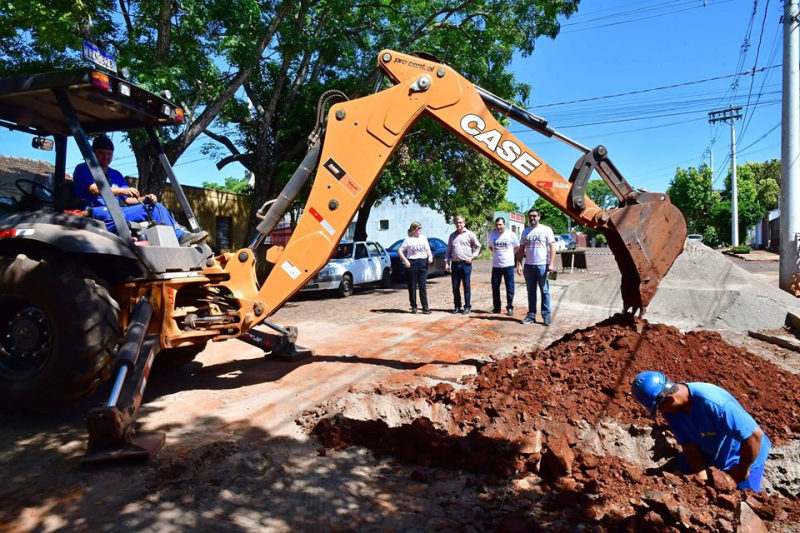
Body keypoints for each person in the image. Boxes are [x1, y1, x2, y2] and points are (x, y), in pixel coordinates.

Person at [631, 371, 771, 493]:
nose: (661, 413)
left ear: (669, 399)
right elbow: (688, 445)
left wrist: (742, 470)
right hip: (710, 451)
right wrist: (701, 478)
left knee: (744, 501)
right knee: (679, 485)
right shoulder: (672, 410)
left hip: (742, 456)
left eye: (659, 408)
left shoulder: (715, 404)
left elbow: (754, 436)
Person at [72, 136, 207, 247]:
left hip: (117, 212)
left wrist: (145, 199)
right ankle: (178, 238)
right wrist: (121, 191)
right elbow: (94, 189)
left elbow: (128, 200)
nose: (106, 157)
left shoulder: (116, 174)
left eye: (109, 154)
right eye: (101, 153)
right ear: (93, 153)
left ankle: (181, 236)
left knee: (155, 207)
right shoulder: (83, 169)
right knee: (118, 213)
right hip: (95, 212)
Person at [516, 209, 555, 326]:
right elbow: (521, 249)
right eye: (530, 216)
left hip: (542, 265)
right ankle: (531, 315)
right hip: (529, 266)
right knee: (531, 292)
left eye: (534, 216)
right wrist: (519, 264)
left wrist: (551, 263)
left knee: (545, 291)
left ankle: (546, 315)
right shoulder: (525, 232)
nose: (532, 218)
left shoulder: (546, 230)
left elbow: (552, 248)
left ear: (539, 217)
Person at [445, 215, 481, 315]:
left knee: (466, 286)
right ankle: (457, 306)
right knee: (455, 286)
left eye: (460, 222)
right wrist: (447, 263)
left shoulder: (470, 234)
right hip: (455, 264)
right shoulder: (452, 236)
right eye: (457, 223)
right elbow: (448, 251)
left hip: (466, 264)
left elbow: (478, 247)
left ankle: (467, 306)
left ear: (464, 223)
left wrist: (472, 257)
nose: (459, 224)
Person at [397, 222, 433, 314]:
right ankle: (413, 306)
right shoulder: (408, 240)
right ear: (413, 230)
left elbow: (428, 249)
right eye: (417, 228)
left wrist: (430, 256)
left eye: (421, 228)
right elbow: (400, 251)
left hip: (423, 262)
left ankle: (425, 307)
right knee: (412, 285)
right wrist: (406, 260)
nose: (420, 230)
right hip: (412, 263)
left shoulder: (424, 238)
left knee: (422, 286)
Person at [488, 217, 519, 316]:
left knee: (509, 287)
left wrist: (510, 255)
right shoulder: (492, 235)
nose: (499, 227)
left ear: (504, 224)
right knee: (495, 287)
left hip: (508, 265)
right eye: (497, 225)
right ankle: (497, 307)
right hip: (496, 265)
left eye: (500, 225)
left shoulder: (511, 234)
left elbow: (517, 247)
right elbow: (490, 247)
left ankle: (510, 307)